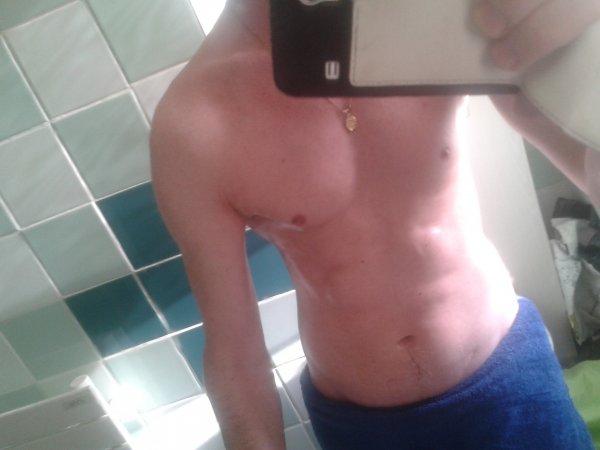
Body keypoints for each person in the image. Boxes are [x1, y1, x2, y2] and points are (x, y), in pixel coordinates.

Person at [150, 0, 600, 448]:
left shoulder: (444, 17)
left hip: (511, 379)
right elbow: (236, 358)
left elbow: (582, 158)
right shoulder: (193, 123)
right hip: (361, 428)